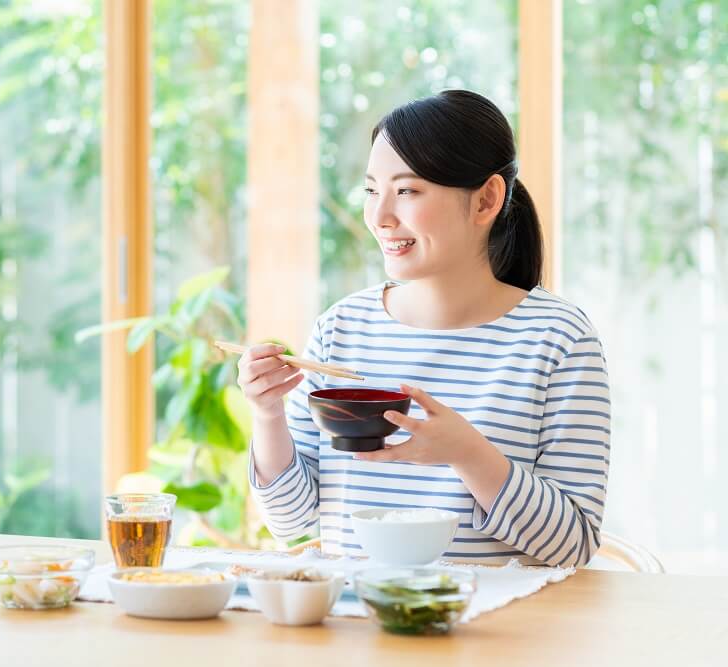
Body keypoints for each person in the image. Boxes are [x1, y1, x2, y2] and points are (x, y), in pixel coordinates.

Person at [239, 90, 609, 567]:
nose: (380, 217)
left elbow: (573, 545)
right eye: (371, 191)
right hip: (356, 610)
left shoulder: (559, 339)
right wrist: (267, 413)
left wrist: (469, 454)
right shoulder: (342, 328)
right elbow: (293, 522)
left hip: (496, 615)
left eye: (407, 191)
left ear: (486, 200)